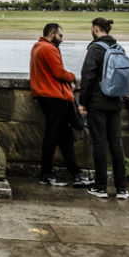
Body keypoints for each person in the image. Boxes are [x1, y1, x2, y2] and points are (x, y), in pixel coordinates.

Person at [28, 23, 89, 187]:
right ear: (51, 33)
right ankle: (46, 174)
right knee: (53, 136)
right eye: (60, 36)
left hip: (47, 96)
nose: (62, 39)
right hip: (54, 98)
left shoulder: (37, 46)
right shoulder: (49, 48)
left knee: (64, 137)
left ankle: (76, 173)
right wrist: (73, 77)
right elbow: (59, 73)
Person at [80, 17, 129, 199]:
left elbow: (87, 77)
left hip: (98, 103)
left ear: (95, 29)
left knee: (99, 143)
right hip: (115, 101)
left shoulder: (95, 48)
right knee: (116, 144)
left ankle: (101, 187)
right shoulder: (119, 48)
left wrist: (82, 102)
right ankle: (122, 188)